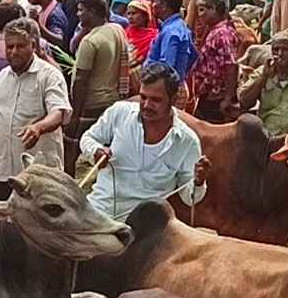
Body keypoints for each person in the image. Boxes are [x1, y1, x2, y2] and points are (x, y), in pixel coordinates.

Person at [80, 63, 208, 221]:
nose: (147, 105)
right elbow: (88, 138)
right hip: (100, 209)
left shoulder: (187, 141)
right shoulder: (119, 113)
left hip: (145, 226)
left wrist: (199, 181)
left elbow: (190, 198)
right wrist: (96, 151)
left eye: (156, 100)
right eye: (143, 97)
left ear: (173, 100)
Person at [0, 18, 71, 199]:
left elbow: (59, 112)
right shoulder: (1, 78)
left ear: (34, 45)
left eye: (20, 46)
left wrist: (38, 128)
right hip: (3, 172)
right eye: (9, 47)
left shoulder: (49, 76)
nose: (13, 52)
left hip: (38, 176)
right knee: (1, 225)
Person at [68, 0, 130, 165]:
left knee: (76, 150)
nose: (78, 14)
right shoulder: (116, 29)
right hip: (112, 100)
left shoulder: (90, 42)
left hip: (91, 104)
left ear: (93, 12)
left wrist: (75, 115)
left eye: (81, 10)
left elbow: (80, 80)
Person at [188, 0, 241, 122]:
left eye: (202, 10)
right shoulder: (214, 31)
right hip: (207, 94)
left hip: (216, 96)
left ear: (213, 9)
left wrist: (228, 97)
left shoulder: (222, 33)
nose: (199, 15)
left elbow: (231, 65)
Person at [145, 0, 197, 83]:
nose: (152, 5)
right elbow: (193, 55)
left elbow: (166, 68)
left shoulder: (171, 31)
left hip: (165, 89)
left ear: (164, 6)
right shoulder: (180, 26)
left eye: (155, 1)